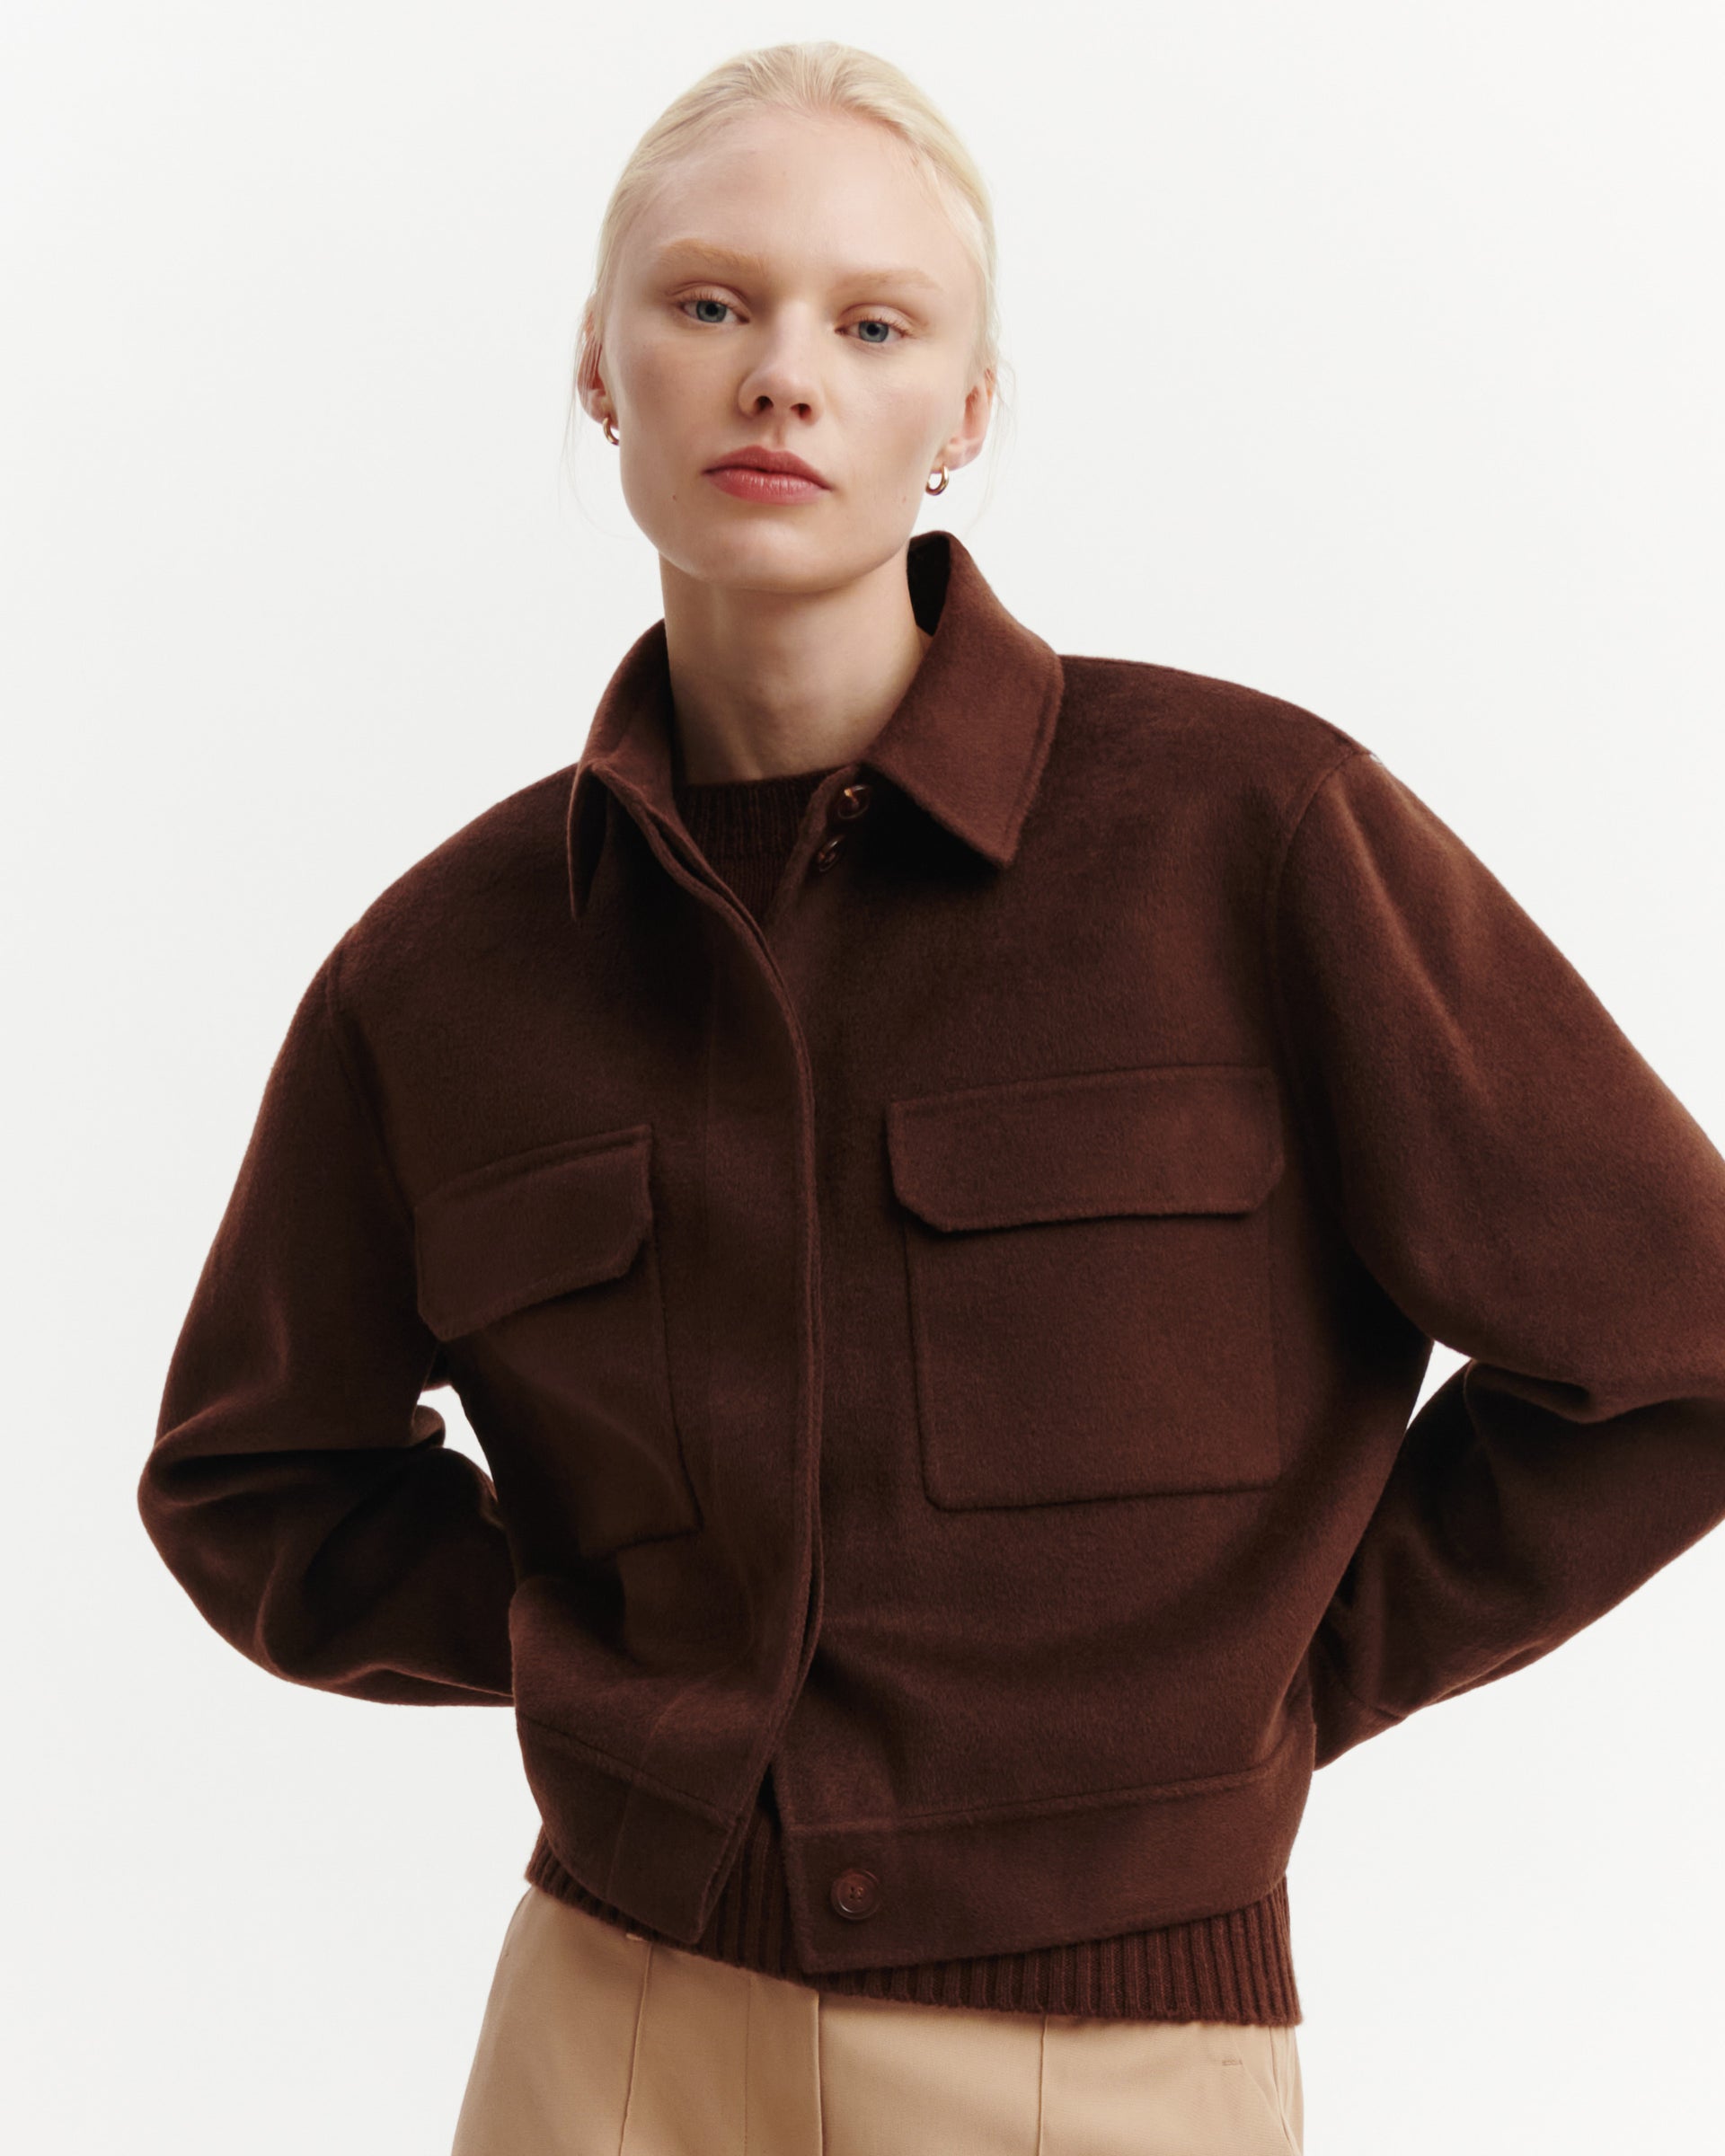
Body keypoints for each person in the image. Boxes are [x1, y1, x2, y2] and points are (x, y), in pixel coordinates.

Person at [136, 37, 1725, 2156]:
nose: (782, 376)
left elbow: (1679, 1349)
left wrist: (1268, 1694)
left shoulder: (1251, 834)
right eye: (709, 302)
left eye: (874, 325)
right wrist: (622, 1683)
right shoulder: (444, 969)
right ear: (601, 369)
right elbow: (252, 1480)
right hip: (615, 2035)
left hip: (1106, 2064)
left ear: (967, 410)